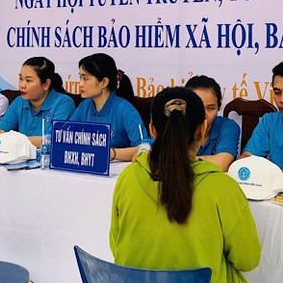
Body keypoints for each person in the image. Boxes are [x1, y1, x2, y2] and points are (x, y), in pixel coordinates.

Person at [110, 87, 261, 283]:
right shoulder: (223, 187)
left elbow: (116, 245)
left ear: (152, 130)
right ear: (202, 129)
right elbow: (247, 259)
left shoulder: (128, 177)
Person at [0, 56, 76, 148]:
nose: (22, 85)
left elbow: (54, 140)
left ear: (46, 84)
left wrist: (10, 139)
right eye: (21, 78)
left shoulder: (63, 104)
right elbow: (1, 130)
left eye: (28, 80)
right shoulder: (19, 102)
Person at [70, 53, 148, 162]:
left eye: (85, 78)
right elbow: (67, 137)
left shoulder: (125, 109)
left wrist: (111, 153)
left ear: (104, 82)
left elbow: (144, 149)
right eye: (80, 78)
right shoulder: (84, 107)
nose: (80, 84)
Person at [185, 75, 240, 171]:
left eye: (211, 108)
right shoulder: (175, 125)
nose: (203, 114)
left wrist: (181, 161)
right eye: (197, 108)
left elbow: (222, 164)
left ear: (218, 107)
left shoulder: (227, 126)